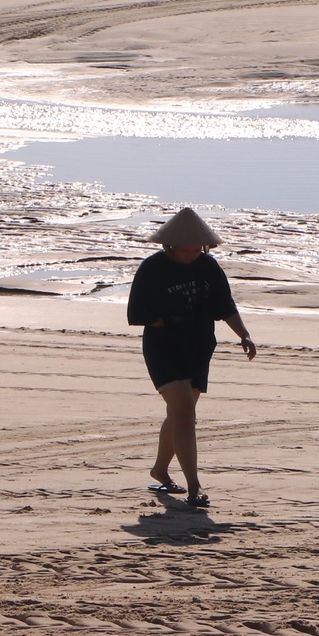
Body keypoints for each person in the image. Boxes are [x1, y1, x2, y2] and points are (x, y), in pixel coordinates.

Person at [126, 207, 256, 510]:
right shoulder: (152, 269)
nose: (191, 255)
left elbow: (225, 305)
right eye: (185, 251)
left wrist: (244, 334)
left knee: (178, 415)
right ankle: (195, 487)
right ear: (170, 246)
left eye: (196, 250)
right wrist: (171, 323)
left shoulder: (208, 267)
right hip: (163, 349)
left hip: (198, 347)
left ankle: (159, 470)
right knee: (186, 414)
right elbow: (137, 313)